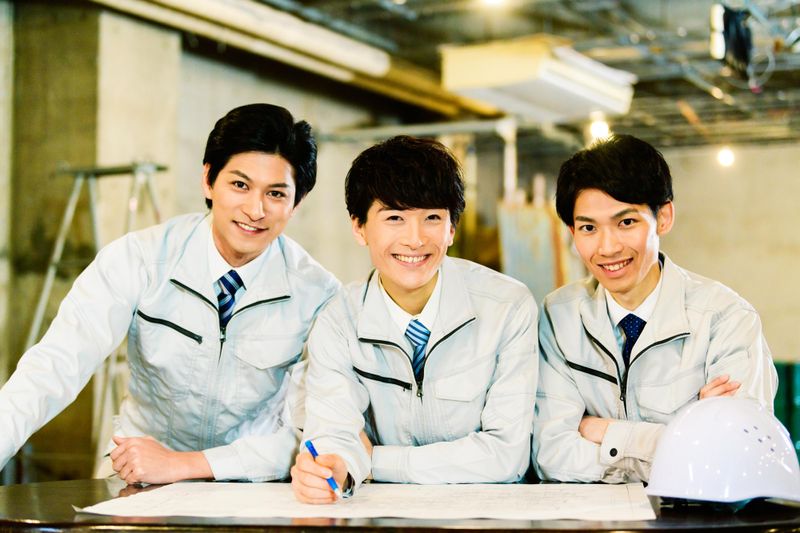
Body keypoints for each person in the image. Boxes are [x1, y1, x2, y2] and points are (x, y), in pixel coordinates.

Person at [0, 103, 339, 484]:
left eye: (275, 193)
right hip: (136, 474)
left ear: (296, 204)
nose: (254, 209)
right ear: (208, 180)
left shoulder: (318, 295)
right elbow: (54, 366)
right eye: (240, 185)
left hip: (251, 483)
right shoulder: (139, 260)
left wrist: (189, 464)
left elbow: (316, 433)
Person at [291, 135, 538, 504]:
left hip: (484, 517)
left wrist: (375, 460)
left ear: (452, 228)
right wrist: (333, 468)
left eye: (432, 218)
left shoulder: (507, 307)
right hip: (381, 517)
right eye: (395, 218)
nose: (415, 239)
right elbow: (334, 434)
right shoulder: (338, 320)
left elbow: (507, 456)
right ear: (359, 227)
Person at [532, 133, 777, 483]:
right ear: (572, 232)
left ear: (663, 217)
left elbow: (734, 456)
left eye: (626, 222)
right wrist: (686, 434)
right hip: (590, 515)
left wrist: (602, 431)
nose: (607, 247)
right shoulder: (559, 316)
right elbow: (551, 455)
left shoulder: (726, 319)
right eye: (588, 228)